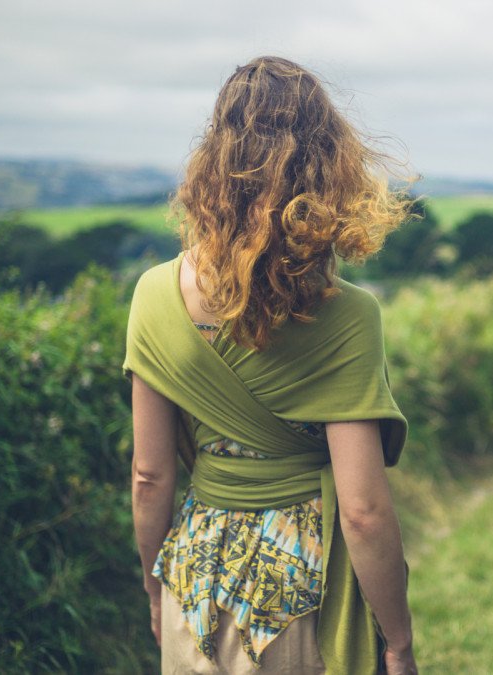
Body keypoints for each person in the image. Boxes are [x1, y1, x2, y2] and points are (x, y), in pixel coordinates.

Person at [123, 56, 418, 675]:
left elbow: (150, 477)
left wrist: (156, 590)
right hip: (303, 591)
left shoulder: (153, 294)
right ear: (329, 167)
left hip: (193, 586)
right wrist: (398, 640)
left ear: (214, 162)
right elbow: (362, 512)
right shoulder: (348, 316)